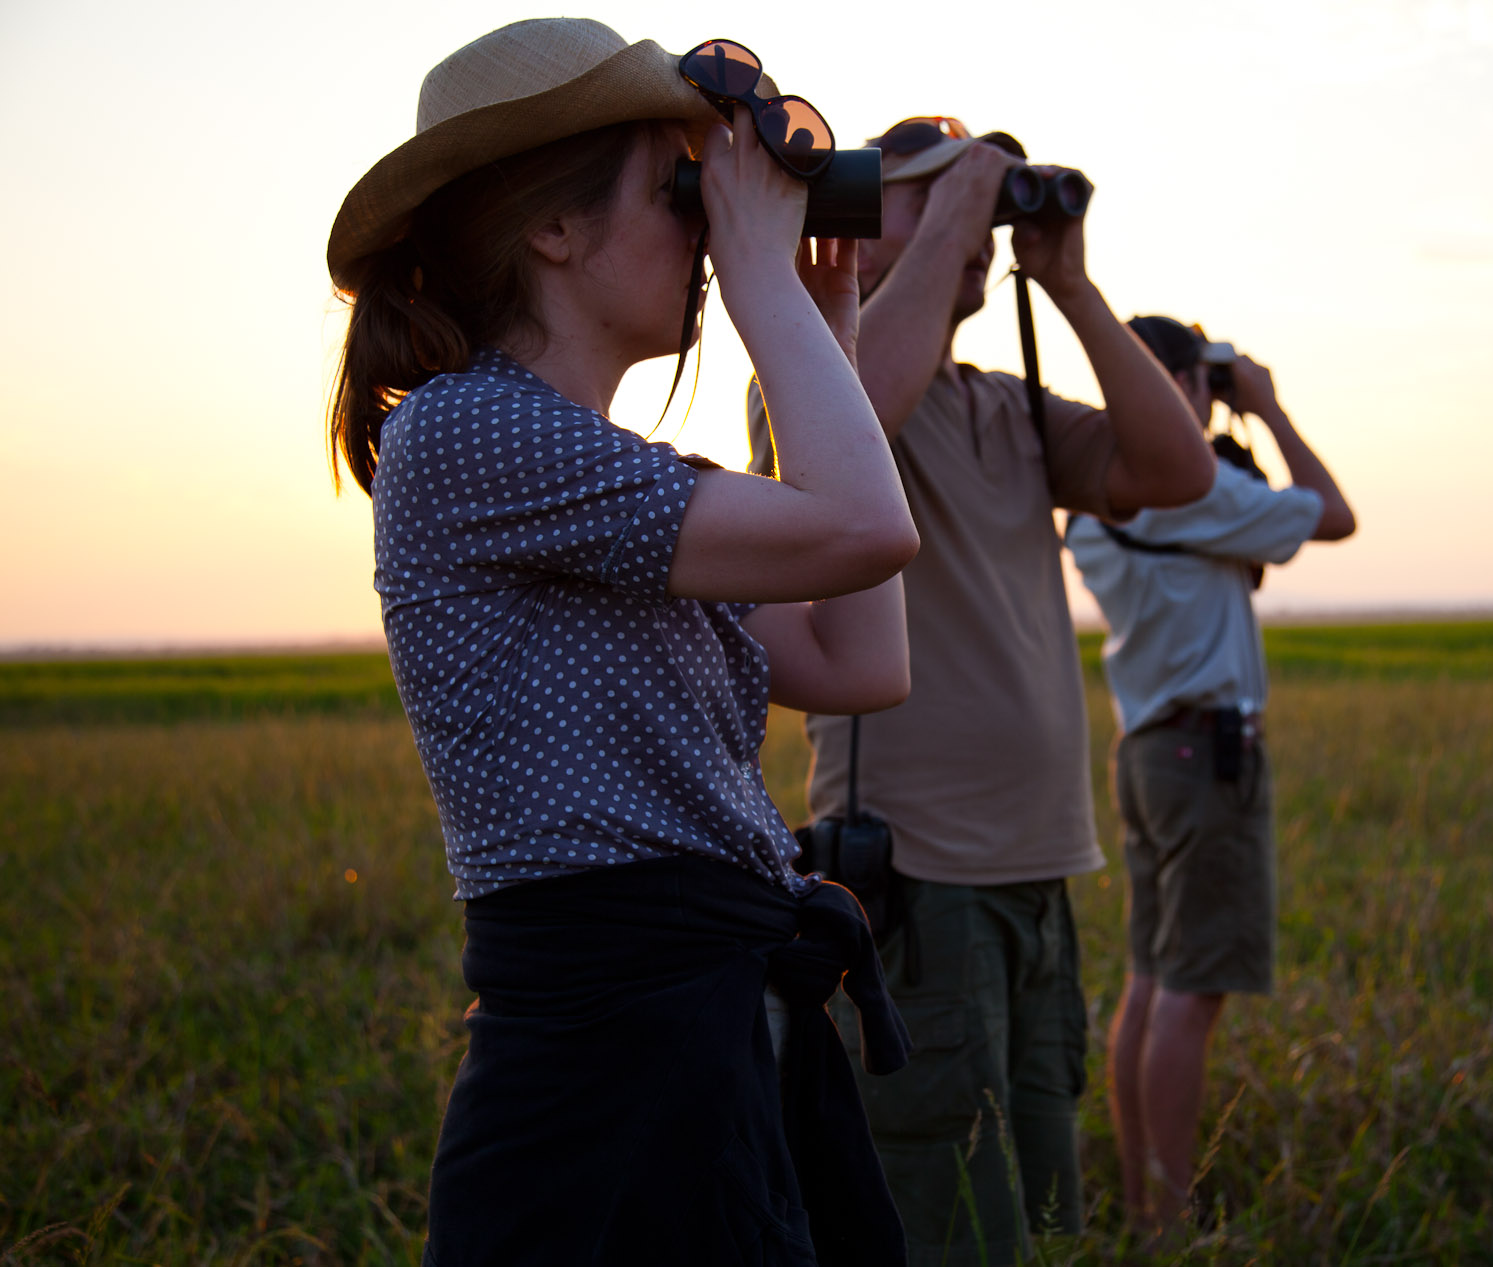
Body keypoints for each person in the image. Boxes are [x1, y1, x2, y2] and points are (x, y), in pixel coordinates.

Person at [326, 19, 922, 1266]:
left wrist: (828, 327)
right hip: (607, 1067)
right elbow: (863, 526)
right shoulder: (466, 433)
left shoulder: (629, 490)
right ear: (552, 229)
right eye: (680, 190)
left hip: (697, 1035)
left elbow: (862, 664)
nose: (711, 235)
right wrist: (765, 287)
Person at [748, 120, 1215, 1264]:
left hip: (1036, 865)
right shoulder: (815, 389)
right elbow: (858, 411)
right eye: (925, 199)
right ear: (855, 224)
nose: (971, 224)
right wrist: (961, 212)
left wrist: (1068, 283)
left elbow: (1178, 470)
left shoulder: (1002, 405)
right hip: (916, 870)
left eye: (978, 206)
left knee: (1039, 1194)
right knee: (942, 1205)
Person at [1066, 315, 1356, 1239]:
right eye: (1194, 381)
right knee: (1190, 992)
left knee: (1155, 978)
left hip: (1148, 750)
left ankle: (1151, 1205)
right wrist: (1265, 406)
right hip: (1206, 754)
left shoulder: (1100, 495)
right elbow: (1335, 513)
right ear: (1175, 385)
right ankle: (1168, 1222)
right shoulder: (1192, 492)